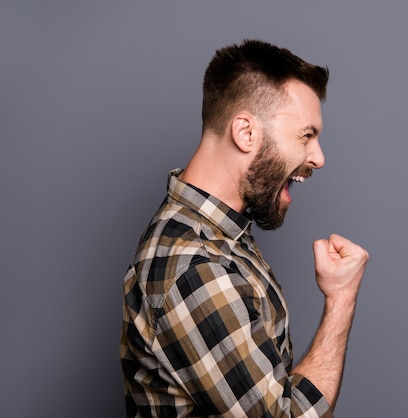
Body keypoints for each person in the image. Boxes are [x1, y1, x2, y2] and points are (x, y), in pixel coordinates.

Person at [120, 39, 369, 417]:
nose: (318, 158)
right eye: (306, 135)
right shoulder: (196, 270)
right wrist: (341, 299)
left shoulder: (219, 236)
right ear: (246, 133)